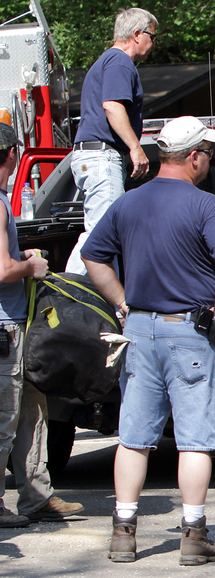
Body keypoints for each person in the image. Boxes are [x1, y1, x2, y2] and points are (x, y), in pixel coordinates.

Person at [82, 116, 215, 565]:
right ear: (194, 156)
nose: (209, 161)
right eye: (208, 154)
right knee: (195, 439)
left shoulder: (127, 203)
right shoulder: (204, 205)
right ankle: (193, 535)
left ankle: (123, 532)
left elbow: (93, 256)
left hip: (137, 331)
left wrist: (122, 303)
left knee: (134, 437)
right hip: (189, 333)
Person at [67, 7, 157, 276]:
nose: (154, 44)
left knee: (104, 236)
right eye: (153, 36)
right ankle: (65, 294)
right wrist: (135, 147)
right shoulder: (119, 62)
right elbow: (112, 107)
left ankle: (103, 309)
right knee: (99, 238)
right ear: (137, 34)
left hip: (92, 157)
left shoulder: (107, 61)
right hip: (102, 158)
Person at [0, 123, 53, 528]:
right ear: (14, 155)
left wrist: (20, 254)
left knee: (28, 408)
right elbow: (2, 270)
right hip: (5, 328)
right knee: (5, 419)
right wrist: (29, 266)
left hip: (13, 324)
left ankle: (36, 497)